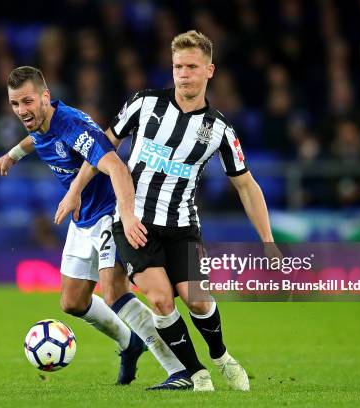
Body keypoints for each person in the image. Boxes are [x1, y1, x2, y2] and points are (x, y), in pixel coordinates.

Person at [61, 31, 277, 391]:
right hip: (134, 223)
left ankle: (221, 356)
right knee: (160, 299)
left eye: (192, 66)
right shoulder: (144, 105)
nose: (183, 74)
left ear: (210, 71)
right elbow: (103, 148)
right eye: (178, 66)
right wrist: (75, 189)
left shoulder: (220, 129)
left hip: (183, 226)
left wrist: (268, 240)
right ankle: (196, 374)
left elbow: (246, 185)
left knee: (199, 300)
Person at [0, 66, 188, 387]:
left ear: (45, 98)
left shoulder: (74, 127)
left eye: (27, 102)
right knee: (72, 302)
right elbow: (35, 139)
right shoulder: (39, 121)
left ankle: (179, 368)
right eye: (15, 104)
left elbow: (117, 168)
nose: (21, 111)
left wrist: (127, 216)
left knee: (114, 291)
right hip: (83, 219)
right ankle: (129, 341)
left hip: (109, 212)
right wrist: (11, 156)